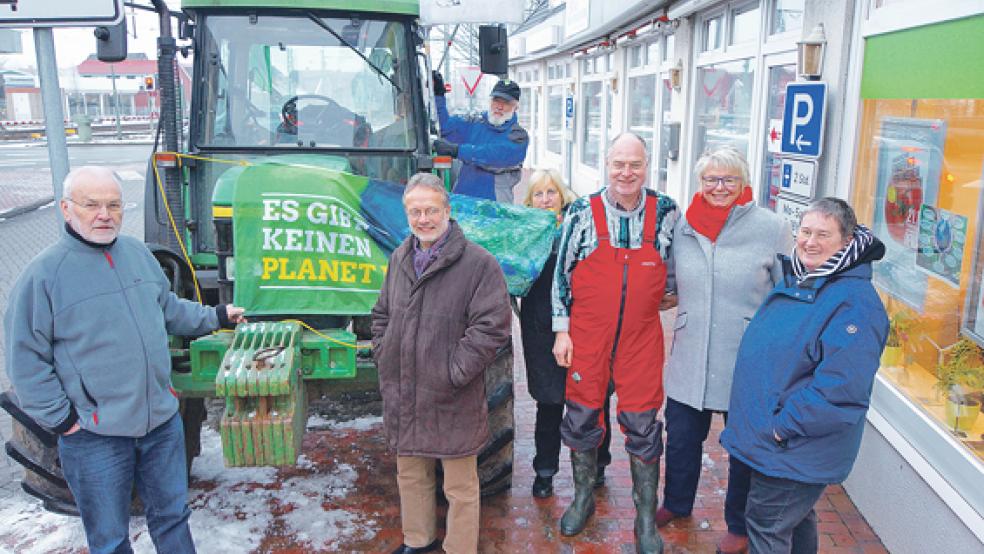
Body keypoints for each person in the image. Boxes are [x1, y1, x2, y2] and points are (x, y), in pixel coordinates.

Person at [4, 166, 246, 554]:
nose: (105, 214)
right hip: (94, 437)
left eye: (113, 204)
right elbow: (25, 360)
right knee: (110, 539)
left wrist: (216, 316)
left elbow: (166, 308)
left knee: (172, 520)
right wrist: (65, 422)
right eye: (92, 205)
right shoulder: (44, 277)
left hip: (160, 425)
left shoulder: (136, 254)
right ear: (67, 209)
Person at [721, 198, 889, 554]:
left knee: (767, 526)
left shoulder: (854, 302)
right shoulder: (807, 279)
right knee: (793, 521)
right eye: (806, 231)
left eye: (823, 234)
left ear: (846, 243)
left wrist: (783, 427)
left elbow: (841, 390)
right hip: (777, 441)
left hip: (792, 444)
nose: (810, 241)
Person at [657, 147, 793, 554]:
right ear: (699, 183)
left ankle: (739, 522)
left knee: (743, 447)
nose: (719, 187)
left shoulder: (772, 226)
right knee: (680, 437)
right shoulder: (681, 226)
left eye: (728, 180)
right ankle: (676, 502)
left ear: (743, 183)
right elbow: (668, 278)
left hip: (746, 356)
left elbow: (787, 290)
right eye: (711, 180)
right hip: (692, 349)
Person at [551, 133, 679, 553]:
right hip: (588, 335)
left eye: (635, 164)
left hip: (641, 337)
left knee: (643, 424)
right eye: (619, 164)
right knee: (583, 416)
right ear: (607, 164)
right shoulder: (581, 213)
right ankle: (584, 496)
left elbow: (678, 268)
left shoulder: (667, 213)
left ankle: (645, 520)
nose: (627, 173)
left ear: (647, 166)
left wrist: (672, 292)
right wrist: (562, 331)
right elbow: (561, 276)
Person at [371, 173, 512, 554]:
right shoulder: (401, 256)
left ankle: (458, 548)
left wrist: (456, 371)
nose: (424, 219)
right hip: (405, 389)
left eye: (431, 210)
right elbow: (382, 312)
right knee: (411, 473)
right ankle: (418, 541)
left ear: (447, 211)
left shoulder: (478, 264)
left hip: (452, 392)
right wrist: (384, 349)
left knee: (460, 484)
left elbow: (492, 327)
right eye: (415, 211)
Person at [519, 169, 614, 499]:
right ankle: (545, 470)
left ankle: (599, 463)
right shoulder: (525, 234)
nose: (546, 200)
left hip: (585, 323)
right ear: (530, 201)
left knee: (594, 397)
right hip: (540, 328)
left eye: (551, 192)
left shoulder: (580, 229)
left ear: (562, 196)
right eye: (538, 194)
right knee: (549, 403)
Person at [431, 71, 529, 202]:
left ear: (516, 107)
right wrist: (438, 95)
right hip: (463, 203)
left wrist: (458, 151)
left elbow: (493, 156)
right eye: (496, 100)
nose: (499, 106)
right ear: (490, 101)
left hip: (494, 209)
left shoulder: (518, 136)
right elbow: (445, 129)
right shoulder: (474, 122)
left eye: (506, 102)